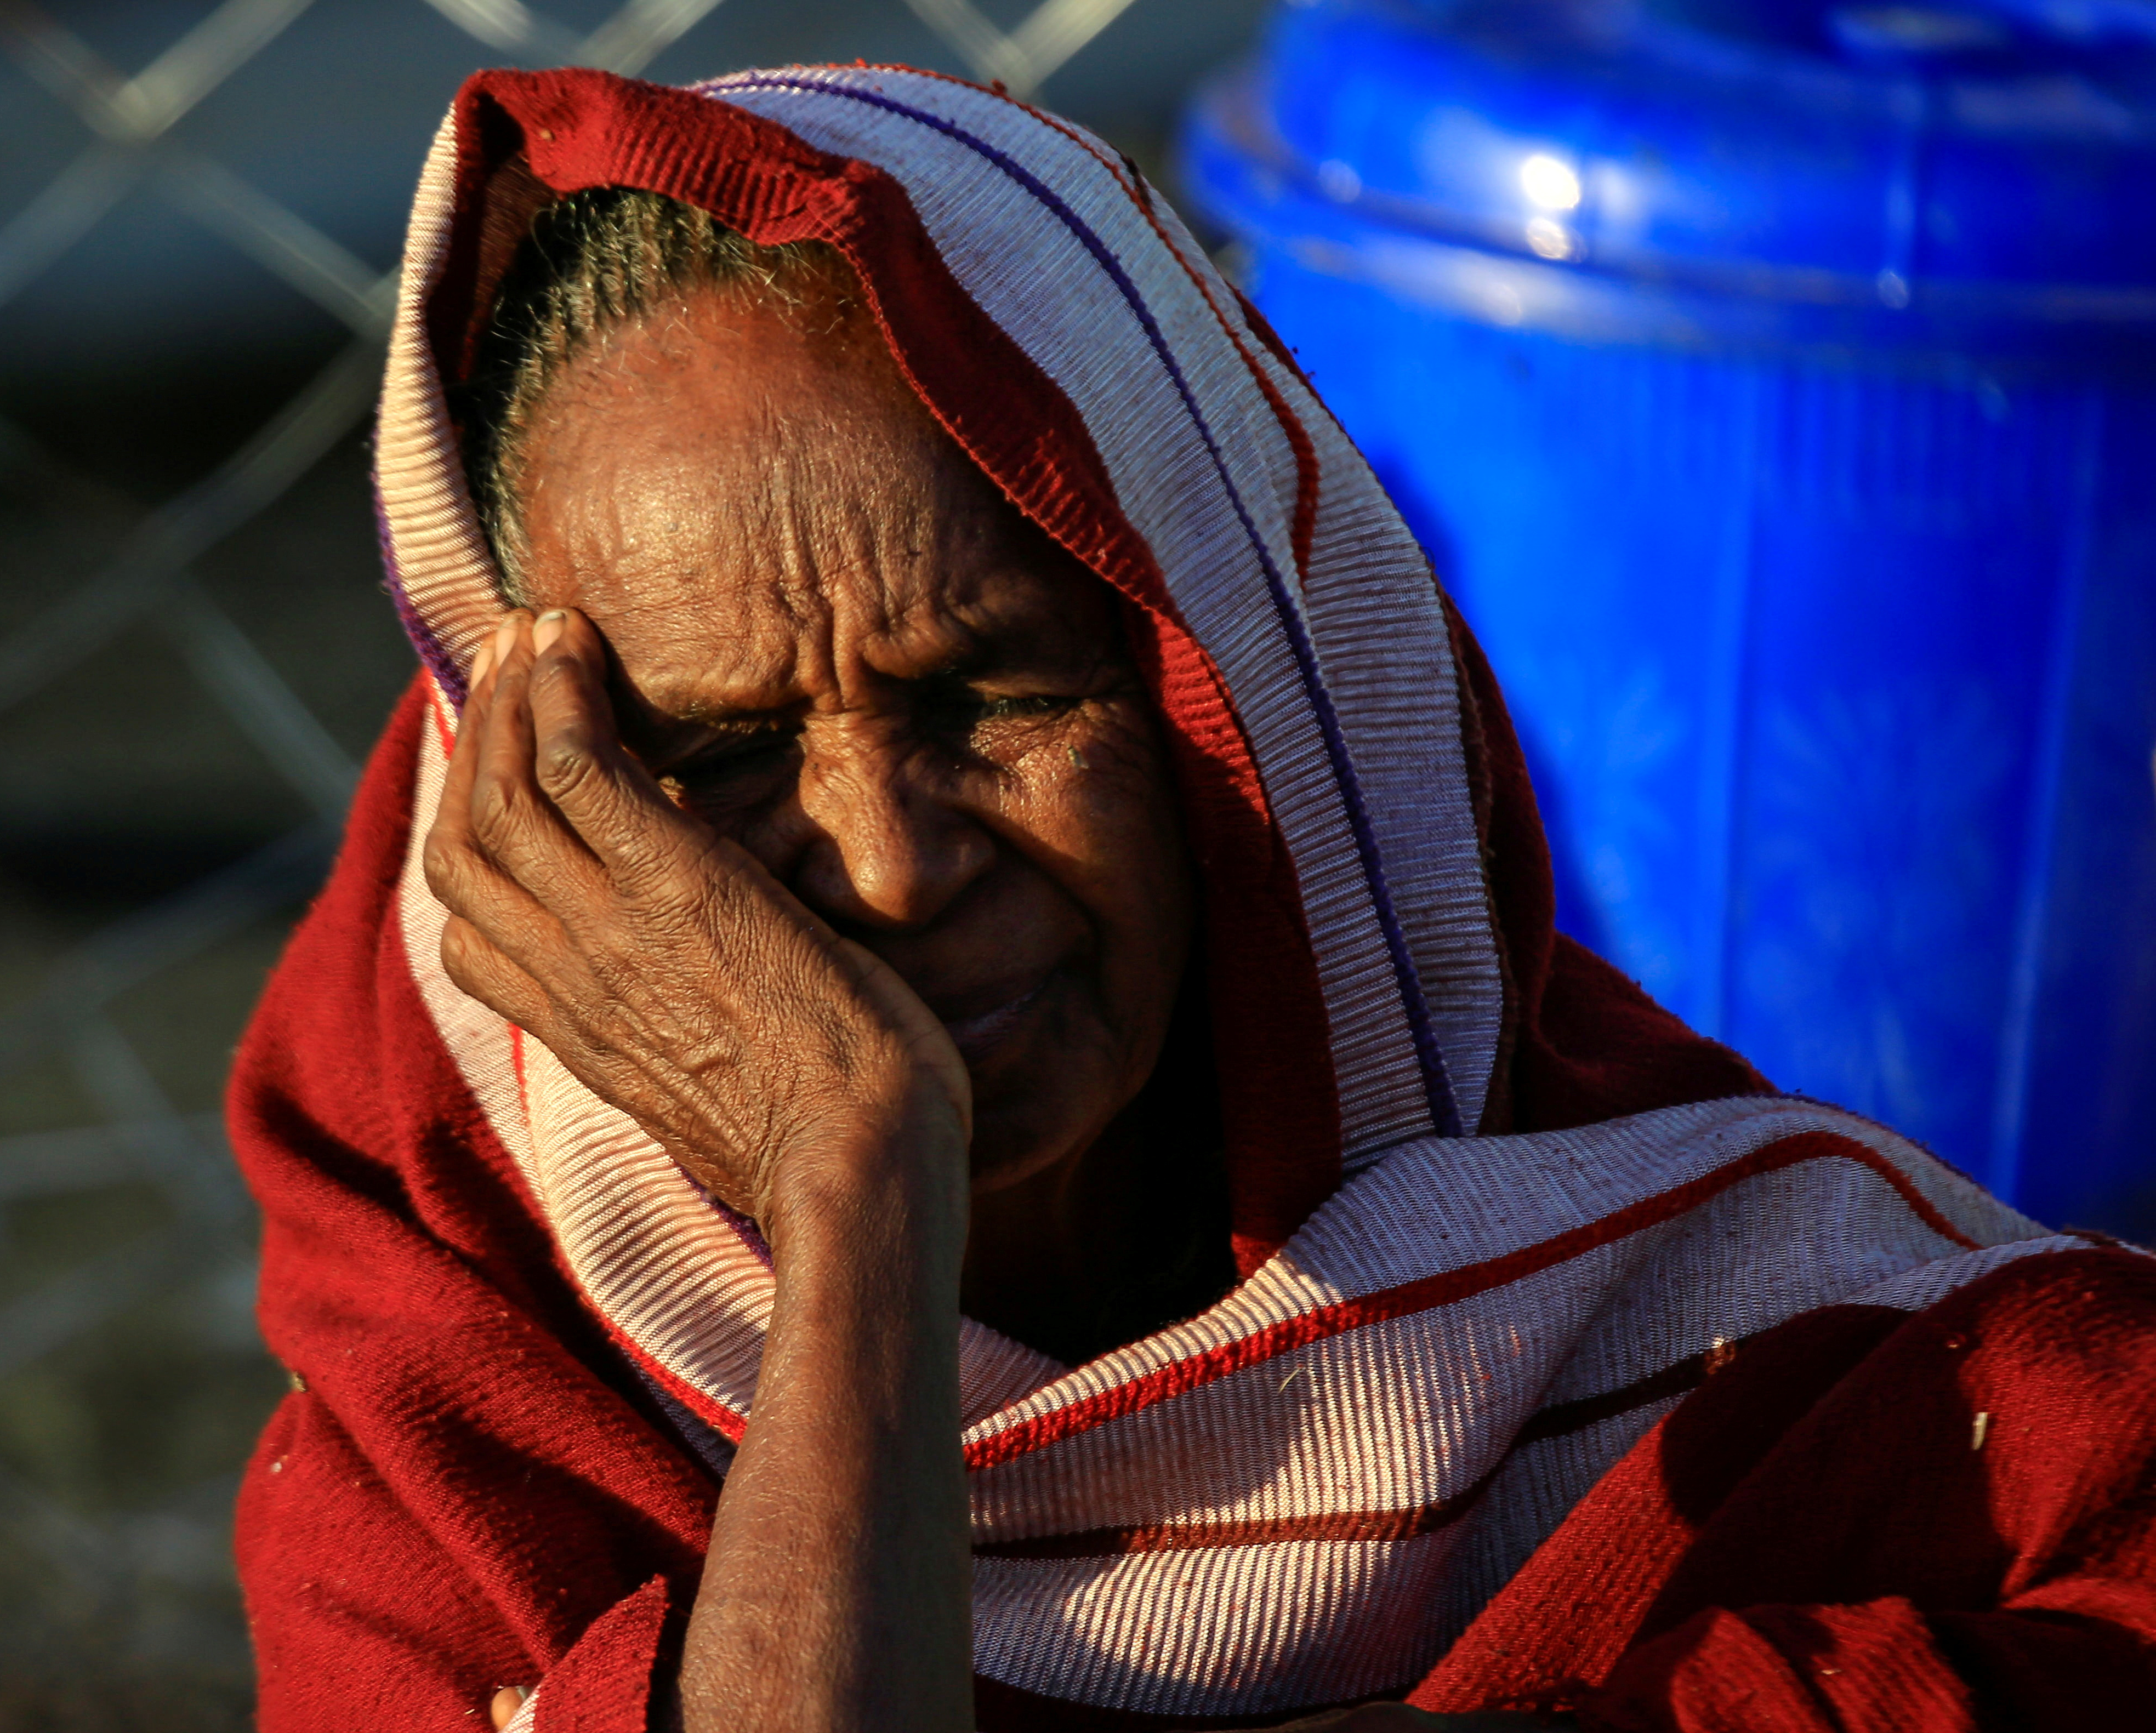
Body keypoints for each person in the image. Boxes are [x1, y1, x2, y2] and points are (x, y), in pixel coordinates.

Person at [227, 64, 2156, 1733]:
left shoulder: (1779, 1361)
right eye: (720, 757)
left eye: (999, 694)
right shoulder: (463, 1406)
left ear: (1240, 693)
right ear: (545, 817)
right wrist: (851, 1179)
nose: (891, 860)